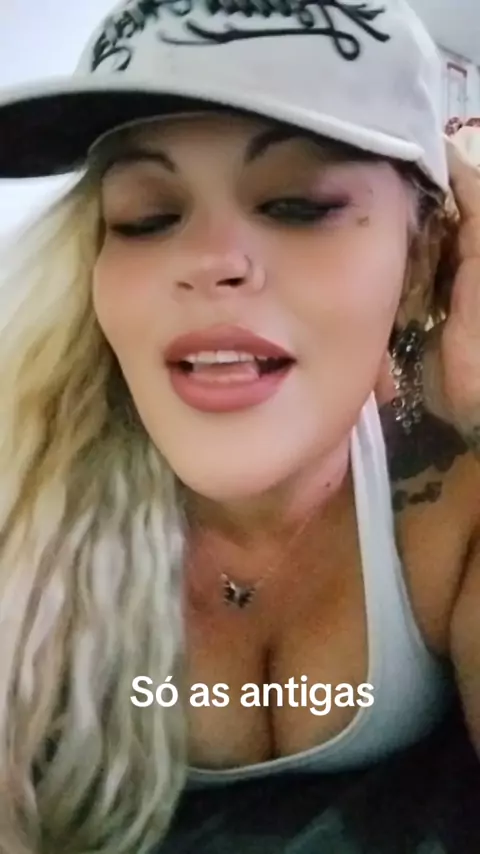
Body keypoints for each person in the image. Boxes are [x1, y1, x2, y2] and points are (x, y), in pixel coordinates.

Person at [0, 1, 479, 852]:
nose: (209, 260)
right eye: (146, 216)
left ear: (421, 265)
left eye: (298, 204)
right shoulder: (19, 497)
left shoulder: (449, 497)